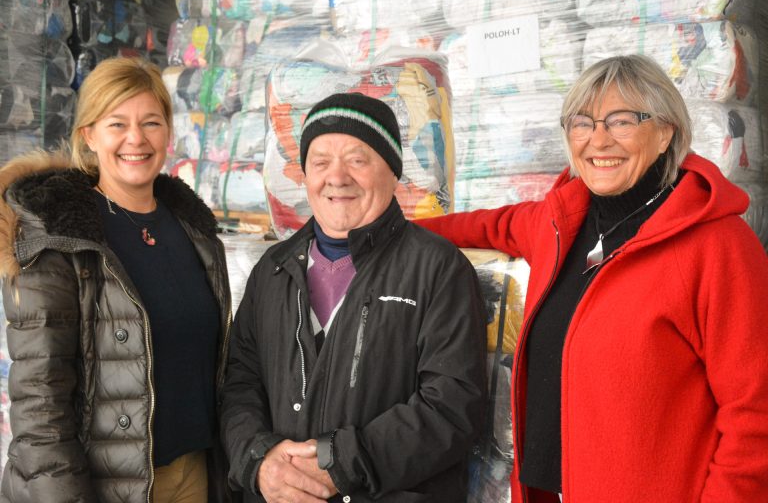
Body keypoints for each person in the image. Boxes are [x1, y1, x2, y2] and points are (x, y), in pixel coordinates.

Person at [417, 54, 768, 502]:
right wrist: (381, 231)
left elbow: (755, 416)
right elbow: (488, 226)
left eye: (621, 121)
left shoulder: (716, 246)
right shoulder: (559, 222)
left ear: (666, 133)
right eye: (582, 123)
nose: (598, 140)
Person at [220, 92, 487, 502]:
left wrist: (341, 464)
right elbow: (239, 384)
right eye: (320, 162)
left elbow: (451, 406)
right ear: (305, 175)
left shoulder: (437, 269)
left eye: (358, 160)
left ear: (392, 171)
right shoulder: (273, 270)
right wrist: (260, 461)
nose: (337, 177)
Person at [0, 57, 233, 503]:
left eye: (150, 122)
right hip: (109, 486)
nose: (136, 139)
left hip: (195, 472)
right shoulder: (59, 240)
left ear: (168, 131)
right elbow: (39, 405)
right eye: (117, 124)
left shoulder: (195, 232)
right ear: (89, 134)